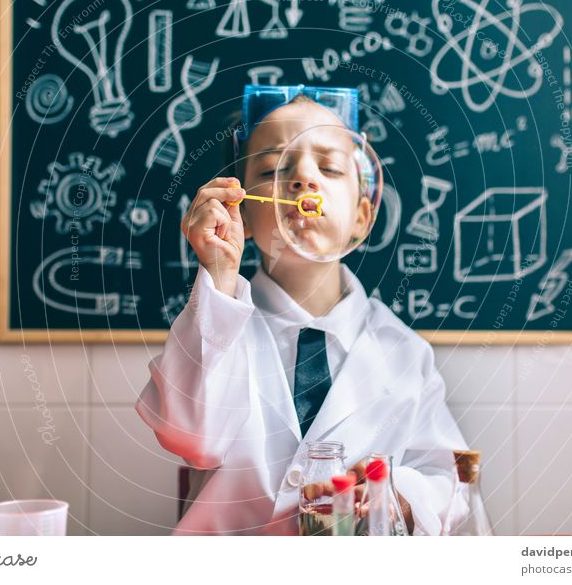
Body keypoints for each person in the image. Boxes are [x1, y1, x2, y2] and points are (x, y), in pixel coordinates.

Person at [136, 84, 469, 535]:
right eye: (274, 167)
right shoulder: (214, 325)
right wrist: (218, 275)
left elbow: (448, 481)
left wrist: (394, 497)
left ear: (361, 218)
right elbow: (191, 436)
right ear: (243, 214)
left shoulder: (405, 355)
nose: (304, 179)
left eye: (329, 167)